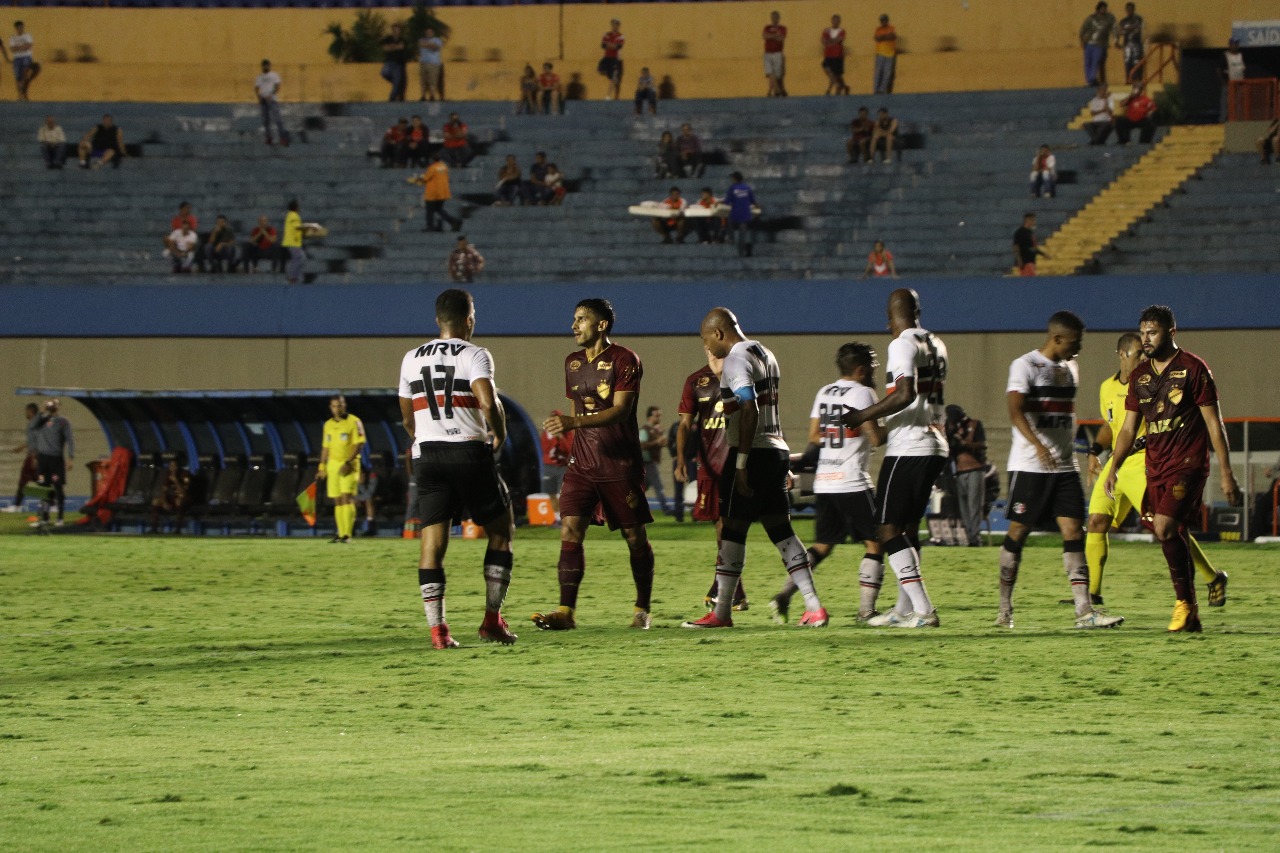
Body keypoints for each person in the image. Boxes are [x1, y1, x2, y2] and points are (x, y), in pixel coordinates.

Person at [682, 308, 827, 629]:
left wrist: (741, 462)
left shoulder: (735, 358)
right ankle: (814, 607)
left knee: (732, 532)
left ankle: (721, 612)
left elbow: (750, 408)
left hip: (752, 453)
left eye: (706, 340)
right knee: (781, 530)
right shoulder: (765, 353)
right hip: (776, 450)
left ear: (718, 333)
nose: (707, 347)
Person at [1105, 305, 1241, 633]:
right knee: (1169, 531)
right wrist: (1113, 466)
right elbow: (1127, 429)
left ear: (1171, 332)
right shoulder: (1140, 376)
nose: (1146, 339)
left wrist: (1226, 472)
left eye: (1152, 333)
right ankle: (1193, 608)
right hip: (1156, 465)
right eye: (1143, 333)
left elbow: (1214, 424)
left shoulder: (1194, 369)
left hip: (1188, 463)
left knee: (1165, 527)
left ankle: (1184, 604)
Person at [398, 288, 518, 648]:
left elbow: (407, 418)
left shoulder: (410, 358)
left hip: (428, 455)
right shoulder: (475, 354)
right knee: (502, 532)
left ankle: (438, 632)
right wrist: (499, 434)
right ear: (470, 320)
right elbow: (487, 402)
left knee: (431, 544)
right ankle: (491, 621)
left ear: (438, 320)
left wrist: (427, 438)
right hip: (468, 452)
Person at [533, 299, 654, 631]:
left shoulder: (625, 359)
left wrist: (573, 423)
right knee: (570, 529)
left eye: (582, 319)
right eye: (574, 319)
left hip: (619, 465)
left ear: (601, 325)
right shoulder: (571, 362)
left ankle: (642, 609)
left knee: (634, 536)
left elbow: (621, 411)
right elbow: (579, 409)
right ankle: (565, 612)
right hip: (582, 465)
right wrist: (571, 430)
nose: (574, 325)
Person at [997, 312, 1123, 630]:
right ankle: (1004, 608)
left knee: (1074, 532)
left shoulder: (1071, 368)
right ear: (1056, 339)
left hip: (1065, 467)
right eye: (1074, 343)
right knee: (1018, 532)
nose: (1078, 349)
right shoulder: (1024, 365)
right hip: (1030, 466)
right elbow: (1015, 411)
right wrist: (1037, 445)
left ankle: (1084, 611)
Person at [1085, 333, 1228, 608]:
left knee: (1166, 526)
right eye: (1138, 353)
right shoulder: (1107, 387)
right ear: (1122, 355)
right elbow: (1112, 425)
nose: (1144, 357)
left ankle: (1212, 577)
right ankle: (1092, 594)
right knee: (1095, 522)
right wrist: (1094, 451)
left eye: (1144, 352)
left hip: (1144, 462)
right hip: (1117, 462)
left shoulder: (1151, 383)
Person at [839, 290, 952, 628]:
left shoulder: (902, 344)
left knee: (887, 528)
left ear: (890, 318)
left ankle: (924, 610)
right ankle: (904, 610)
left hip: (910, 446)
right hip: (934, 443)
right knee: (907, 528)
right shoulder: (936, 343)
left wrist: (862, 416)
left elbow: (904, 394)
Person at [772, 342, 885, 623]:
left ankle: (784, 595)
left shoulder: (824, 392)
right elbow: (876, 438)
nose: (875, 371)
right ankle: (866, 611)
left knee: (823, 545)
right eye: (872, 366)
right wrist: (901, 423)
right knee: (876, 543)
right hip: (853, 481)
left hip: (825, 481)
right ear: (861, 370)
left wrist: (837, 439)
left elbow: (814, 436)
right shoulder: (864, 392)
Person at [677, 348, 746, 611]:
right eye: (705, 345)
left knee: (728, 526)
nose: (711, 350)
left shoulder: (742, 376)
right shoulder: (696, 381)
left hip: (736, 461)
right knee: (720, 525)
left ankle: (729, 590)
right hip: (709, 465)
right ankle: (731, 590)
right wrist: (681, 459)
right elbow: (685, 424)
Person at [317, 395, 365, 544]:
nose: (337, 409)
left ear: (345, 406)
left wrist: (348, 462)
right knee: (337, 500)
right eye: (334, 406)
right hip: (332, 464)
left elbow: (359, 444)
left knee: (346, 497)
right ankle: (340, 533)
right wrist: (321, 466)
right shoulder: (328, 425)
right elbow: (326, 447)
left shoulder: (354, 421)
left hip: (349, 464)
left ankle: (348, 534)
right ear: (330, 408)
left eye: (340, 405)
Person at [27, 398, 74, 527]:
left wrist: (70, 458)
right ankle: (44, 518)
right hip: (43, 460)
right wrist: (42, 411)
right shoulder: (41, 420)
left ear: (59, 406)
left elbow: (70, 440)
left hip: (56, 460)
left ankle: (60, 518)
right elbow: (31, 426)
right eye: (50, 403)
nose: (52, 405)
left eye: (55, 403)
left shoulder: (63, 421)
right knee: (43, 488)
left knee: (58, 487)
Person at [945, 404, 987, 547]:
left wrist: (965, 444)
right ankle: (970, 537)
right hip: (959, 470)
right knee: (964, 507)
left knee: (974, 505)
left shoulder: (974, 424)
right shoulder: (952, 428)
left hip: (975, 468)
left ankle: (975, 537)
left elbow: (982, 445)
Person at [410, 152, 462, 233]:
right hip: (442, 193)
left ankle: (430, 226)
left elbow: (425, 178)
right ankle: (453, 221)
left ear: (432, 159)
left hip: (433, 193)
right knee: (438, 209)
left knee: (429, 211)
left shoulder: (432, 168)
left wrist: (416, 179)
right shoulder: (444, 166)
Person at [5, 403, 39, 513]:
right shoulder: (37, 424)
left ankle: (17, 506)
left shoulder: (33, 425)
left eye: (27, 411)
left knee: (23, 480)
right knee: (40, 480)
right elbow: (31, 441)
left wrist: (34, 457)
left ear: (31, 411)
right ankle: (51, 504)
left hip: (33, 456)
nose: (26, 413)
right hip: (38, 456)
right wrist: (20, 448)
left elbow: (36, 441)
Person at [638, 406, 669, 513]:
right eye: (657, 416)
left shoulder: (656, 430)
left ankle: (630, 506)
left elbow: (661, 443)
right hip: (647, 463)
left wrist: (662, 442)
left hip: (652, 462)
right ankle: (666, 509)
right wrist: (657, 441)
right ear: (650, 417)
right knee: (658, 485)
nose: (659, 418)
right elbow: (641, 445)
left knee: (643, 487)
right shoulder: (645, 429)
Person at [149, 456, 192, 534]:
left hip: (184, 499)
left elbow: (183, 492)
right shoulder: (168, 474)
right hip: (171, 498)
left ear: (178, 466)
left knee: (179, 500)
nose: (172, 468)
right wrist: (165, 502)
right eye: (171, 466)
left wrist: (176, 481)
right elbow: (163, 491)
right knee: (156, 501)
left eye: (174, 466)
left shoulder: (185, 474)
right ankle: (154, 528)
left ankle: (177, 530)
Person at [540, 410, 572, 512]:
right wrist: (553, 438)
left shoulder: (567, 433)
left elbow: (570, 450)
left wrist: (561, 437)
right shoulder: (546, 433)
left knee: (563, 494)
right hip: (549, 467)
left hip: (563, 467)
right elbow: (544, 449)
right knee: (551, 493)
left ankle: (562, 516)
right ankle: (556, 515)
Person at [1080, 2, 1117, 87]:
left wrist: (1116, 40)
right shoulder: (1091, 18)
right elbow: (1083, 30)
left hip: (1100, 44)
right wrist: (1082, 41)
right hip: (1089, 43)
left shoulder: (1109, 18)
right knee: (1088, 62)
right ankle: (1089, 80)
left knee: (1095, 61)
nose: (1104, 10)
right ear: (1098, 9)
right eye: (1102, 8)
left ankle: (1092, 78)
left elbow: (1114, 29)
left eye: (1105, 8)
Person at [255, 59, 290, 147]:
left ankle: (282, 138)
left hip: (272, 100)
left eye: (267, 65)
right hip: (263, 100)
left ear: (269, 66)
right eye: (264, 65)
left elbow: (277, 86)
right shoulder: (259, 77)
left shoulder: (274, 75)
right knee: (266, 120)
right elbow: (256, 88)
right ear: (262, 66)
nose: (265, 67)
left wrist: (271, 95)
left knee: (278, 119)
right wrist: (259, 97)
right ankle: (269, 138)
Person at [725, 172, 759, 258]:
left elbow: (727, 201)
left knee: (729, 222)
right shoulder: (747, 188)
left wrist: (719, 202)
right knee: (742, 235)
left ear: (734, 179)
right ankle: (741, 253)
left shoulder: (732, 188)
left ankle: (731, 238)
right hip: (746, 215)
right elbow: (753, 201)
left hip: (735, 214)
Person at [2, 21, 35, 101]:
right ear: (16, 28)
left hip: (26, 57)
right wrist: (23, 47)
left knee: (25, 75)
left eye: (21, 27)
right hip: (17, 58)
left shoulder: (28, 36)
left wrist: (18, 48)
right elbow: (12, 49)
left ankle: (24, 94)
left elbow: (29, 46)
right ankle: (19, 95)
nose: (20, 29)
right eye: (18, 27)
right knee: (18, 77)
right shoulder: (12, 38)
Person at [1115, 3, 1145, 84]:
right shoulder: (1123, 21)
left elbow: (1139, 28)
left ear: (1134, 9)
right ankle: (1129, 79)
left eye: (1131, 9)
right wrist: (1117, 41)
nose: (1129, 11)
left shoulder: (1138, 19)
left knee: (1136, 61)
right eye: (1128, 9)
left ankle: (1137, 79)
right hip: (1127, 44)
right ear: (1126, 10)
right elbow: (1119, 31)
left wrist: (1126, 29)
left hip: (1136, 44)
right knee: (1127, 61)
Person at [821, 15, 850, 96]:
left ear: (839, 22)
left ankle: (842, 87)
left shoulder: (842, 31)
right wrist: (833, 41)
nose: (835, 22)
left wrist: (829, 41)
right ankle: (838, 86)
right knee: (828, 69)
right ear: (832, 21)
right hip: (828, 55)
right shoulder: (827, 30)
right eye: (834, 20)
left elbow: (839, 40)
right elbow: (823, 41)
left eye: (837, 21)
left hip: (838, 55)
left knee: (837, 74)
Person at [380, 23, 409, 102]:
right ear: (392, 30)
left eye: (397, 30)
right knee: (384, 73)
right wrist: (396, 47)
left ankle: (392, 98)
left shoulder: (402, 39)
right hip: (389, 62)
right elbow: (385, 48)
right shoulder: (388, 39)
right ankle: (397, 84)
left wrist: (391, 47)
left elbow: (401, 47)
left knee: (397, 83)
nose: (395, 31)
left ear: (399, 31)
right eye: (394, 30)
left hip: (399, 64)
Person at [1013, 212, 1048, 276]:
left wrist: (1043, 254)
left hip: (1032, 262)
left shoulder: (1030, 232)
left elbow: (1034, 248)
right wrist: (1019, 260)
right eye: (1033, 220)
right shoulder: (1020, 232)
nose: (1034, 222)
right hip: (1025, 262)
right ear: (1027, 220)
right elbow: (1016, 246)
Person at [762, 10, 787, 98]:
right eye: (773, 17)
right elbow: (764, 36)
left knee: (778, 74)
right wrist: (775, 36)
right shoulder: (767, 27)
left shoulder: (782, 28)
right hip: (768, 53)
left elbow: (781, 38)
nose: (774, 19)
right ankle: (777, 90)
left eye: (776, 17)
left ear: (779, 18)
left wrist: (770, 36)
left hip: (778, 53)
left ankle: (778, 90)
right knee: (770, 72)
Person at [598, 19, 624, 101]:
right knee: (600, 70)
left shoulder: (621, 36)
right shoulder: (606, 34)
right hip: (607, 58)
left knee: (614, 77)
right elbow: (603, 45)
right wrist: (613, 46)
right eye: (613, 25)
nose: (614, 26)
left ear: (618, 26)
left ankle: (609, 96)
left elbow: (618, 47)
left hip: (616, 59)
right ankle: (614, 79)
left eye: (616, 25)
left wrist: (608, 45)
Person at [417, 27, 445, 102]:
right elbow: (424, 45)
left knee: (433, 80)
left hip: (434, 63)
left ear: (433, 33)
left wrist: (427, 45)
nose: (429, 33)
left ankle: (432, 95)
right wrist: (431, 45)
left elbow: (435, 47)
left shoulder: (437, 40)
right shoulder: (421, 40)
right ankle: (423, 96)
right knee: (423, 81)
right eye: (427, 32)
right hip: (423, 63)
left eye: (430, 32)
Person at [873, 14, 897, 95]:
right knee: (878, 72)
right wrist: (886, 36)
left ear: (887, 20)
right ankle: (876, 89)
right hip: (880, 53)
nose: (883, 22)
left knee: (887, 73)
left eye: (884, 20)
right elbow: (877, 38)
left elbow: (893, 36)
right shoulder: (878, 29)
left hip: (890, 54)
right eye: (881, 20)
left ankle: (882, 89)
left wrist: (882, 37)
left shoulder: (891, 28)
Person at [283, 199, 305, 284]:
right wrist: (311, 228)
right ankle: (292, 278)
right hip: (292, 242)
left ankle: (297, 278)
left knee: (298, 258)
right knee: (300, 257)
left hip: (293, 242)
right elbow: (297, 227)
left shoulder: (289, 215)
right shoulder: (294, 216)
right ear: (296, 207)